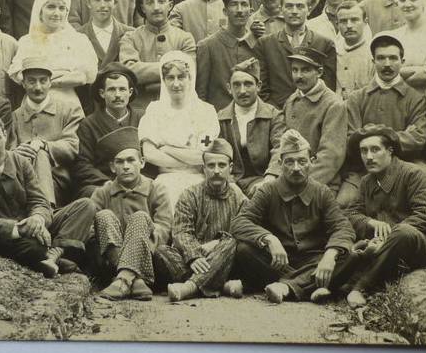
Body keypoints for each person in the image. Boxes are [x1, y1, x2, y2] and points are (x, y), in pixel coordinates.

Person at [0, 113, 96, 278]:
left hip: (34, 225)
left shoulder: (20, 161)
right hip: (9, 234)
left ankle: (53, 255)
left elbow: (39, 200)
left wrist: (38, 219)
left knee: (86, 206)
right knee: (33, 246)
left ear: (5, 136)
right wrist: (21, 229)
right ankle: (50, 256)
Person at [231, 129, 355, 305]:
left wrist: (330, 254)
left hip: (313, 260)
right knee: (243, 250)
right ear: (280, 164)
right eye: (289, 162)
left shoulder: (322, 192)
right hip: (278, 262)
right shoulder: (268, 190)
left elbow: (343, 227)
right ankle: (311, 287)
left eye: (302, 161)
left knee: (349, 255)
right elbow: (239, 222)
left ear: (311, 163)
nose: (296, 168)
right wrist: (269, 239)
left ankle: (285, 288)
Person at [340, 125, 426, 308]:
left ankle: (361, 287)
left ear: (390, 151)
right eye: (363, 151)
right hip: (385, 244)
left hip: (424, 244)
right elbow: (350, 213)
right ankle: (332, 286)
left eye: (375, 149)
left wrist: (390, 235)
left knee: (403, 233)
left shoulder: (413, 174)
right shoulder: (366, 181)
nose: (369, 157)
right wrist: (370, 222)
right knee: (351, 243)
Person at [340, 32, 426, 208]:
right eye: (380, 58)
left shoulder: (416, 98)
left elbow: (417, 138)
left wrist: (368, 133)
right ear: (373, 62)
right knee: (343, 205)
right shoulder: (357, 98)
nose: (387, 64)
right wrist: (396, 135)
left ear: (402, 62)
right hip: (363, 168)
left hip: (405, 166)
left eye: (393, 58)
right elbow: (352, 138)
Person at [159, 138, 248, 302]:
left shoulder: (238, 197)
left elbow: (245, 230)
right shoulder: (190, 195)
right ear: (203, 168)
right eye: (211, 165)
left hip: (225, 258)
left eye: (221, 165)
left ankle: (188, 287)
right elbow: (181, 231)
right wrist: (194, 256)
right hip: (193, 259)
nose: (216, 170)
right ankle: (219, 285)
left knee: (231, 243)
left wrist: (217, 243)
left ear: (231, 168)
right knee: (162, 251)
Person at [92, 127, 173, 301]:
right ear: (112, 167)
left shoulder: (156, 189)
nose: (126, 166)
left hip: (149, 260)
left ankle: (123, 280)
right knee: (103, 215)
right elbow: (91, 231)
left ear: (142, 162)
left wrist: (137, 246)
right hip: (109, 264)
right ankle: (134, 280)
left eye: (131, 160)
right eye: (120, 162)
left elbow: (164, 229)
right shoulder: (102, 193)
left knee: (140, 217)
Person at [138, 50, 219, 207]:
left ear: (190, 78)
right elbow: (149, 154)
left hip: (199, 179)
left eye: (181, 77)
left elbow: (201, 156)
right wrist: (187, 158)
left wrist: (167, 148)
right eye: (170, 78)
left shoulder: (206, 111)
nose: (176, 84)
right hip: (166, 179)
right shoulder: (154, 111)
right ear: (164, 80)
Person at [8, 57, 84, 208]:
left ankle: (45, 210)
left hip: (59, 179)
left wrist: (44, 145)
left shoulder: (70, 110)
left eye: (43, 81)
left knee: (41, 154)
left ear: (50, 82)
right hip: (22, 179)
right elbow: (8, 152)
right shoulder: (15, 116)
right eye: (31, 81)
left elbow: (72, 146)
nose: (38, 87)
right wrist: (17, 152)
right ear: (23, 84)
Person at [7, 0, 98, 111]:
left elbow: (83, 77)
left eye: (62, 8)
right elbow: (17, 74)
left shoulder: (79, 40)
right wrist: (63, 74)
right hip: (34, 104)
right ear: (40, 11)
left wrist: (40, 80)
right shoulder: (26, 41)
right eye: (51, 7)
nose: (56, 13)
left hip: (67, 105)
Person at [120, 0, 197, 110]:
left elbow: (188, 72)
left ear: (170, 5)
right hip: (140, 109)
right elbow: (130, 72)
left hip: (177, 108)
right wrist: (171, 67)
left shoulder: (185, 38)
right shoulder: (130, 38)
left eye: (161, 1)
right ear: (143, 8)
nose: (156, 7)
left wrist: (146, 75)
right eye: (150, 2)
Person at [254, 0, 337, 107]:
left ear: (308, 10)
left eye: (300, 6)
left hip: (314, 115)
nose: (294, 11)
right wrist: (276, 115)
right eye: (289, 6)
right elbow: (262, 89)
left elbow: (328, 87)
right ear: (281, 10)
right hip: (277, 115)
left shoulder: (324, 44)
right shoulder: (265, 44)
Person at [283, 48, 349, 192]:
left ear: (319, 72)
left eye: (305, 70)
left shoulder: (333, 104)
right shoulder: (291, 101)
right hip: (291, 179)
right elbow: (283, 146)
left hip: (319, 184)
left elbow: (331, 157)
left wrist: (300, 185)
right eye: (295, 70)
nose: (298, 76)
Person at [73, 64, 143, 199]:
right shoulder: (89, 124)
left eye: (122, 89)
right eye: (111, 89)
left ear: (130, 92)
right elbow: (82, 165)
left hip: (138, 181)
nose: (117, 95)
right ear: (102, 93)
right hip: (104, 183)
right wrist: (111, 184)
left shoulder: (143, 118)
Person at [216, 58, 284, 196]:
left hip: (262, 179)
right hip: (230, 181)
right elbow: (216, 152)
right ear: (229, 88)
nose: (242, 91)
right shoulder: (220, 118)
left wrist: (270, 177)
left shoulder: (273, 115)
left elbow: (280, 148)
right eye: (236, 85)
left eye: (248, 84)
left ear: (258, 86)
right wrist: (228, 181)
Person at [195, 0, 256, 110]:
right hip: (220, 121)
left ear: (251, 12)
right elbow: (201, 95)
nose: (239, 10)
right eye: (233, 4)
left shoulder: (258, 44)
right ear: (225, 11)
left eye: (244, 4)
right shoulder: (207, 46)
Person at [334, 1, 375, 96]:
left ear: (365, 22)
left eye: (354, 20)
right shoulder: (333, 52)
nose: (349, 26)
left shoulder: (373, 53)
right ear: (337, 24)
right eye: (343, 21)